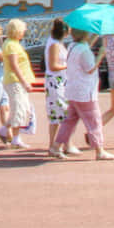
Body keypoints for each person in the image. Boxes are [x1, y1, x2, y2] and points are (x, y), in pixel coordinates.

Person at [52, 33, 112, 160]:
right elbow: (90, 68)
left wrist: (95, 36)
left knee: (69, 121)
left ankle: (56, 146)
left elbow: (86, 45)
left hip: (73, 90)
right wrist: (101, 55)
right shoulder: (84, 50)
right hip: (85, 92)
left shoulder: (73, 46)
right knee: (94, 121)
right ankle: (99, 150)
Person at [0, 19, 38, 149]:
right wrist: (24, 81)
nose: (24, 32)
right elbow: (14, 65)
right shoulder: (11, 45)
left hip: (17, 81)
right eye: (22, 30)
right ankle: (15, 139)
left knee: (22, 108)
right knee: (18, 109)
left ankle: (4, 130)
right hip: (15, 81)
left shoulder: (14, 43)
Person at [44, 19, 70, 155]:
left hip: (61, 81)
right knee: (61, 113)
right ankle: (55, 145)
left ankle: (59, 144)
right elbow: (53, 65)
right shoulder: (54, 44)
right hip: (55, 82)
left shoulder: (58, 43)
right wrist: (68, 65)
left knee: (59, 114)